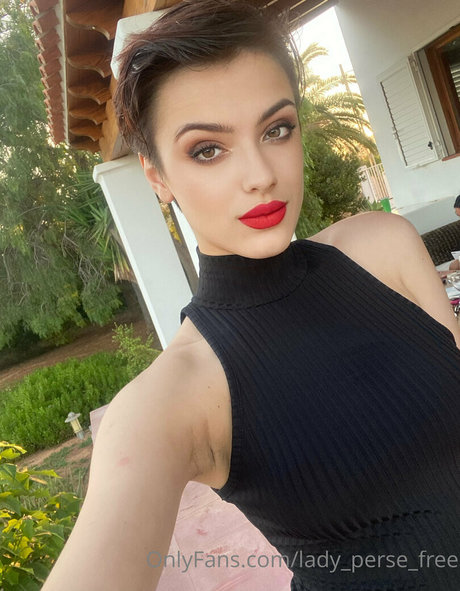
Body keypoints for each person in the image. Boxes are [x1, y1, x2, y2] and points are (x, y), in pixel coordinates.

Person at [42, 1, 460, 590]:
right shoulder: (172, 399)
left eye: (276, 129)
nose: (261, 174)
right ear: (157, 176)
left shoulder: (384, 246)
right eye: (207, 149)